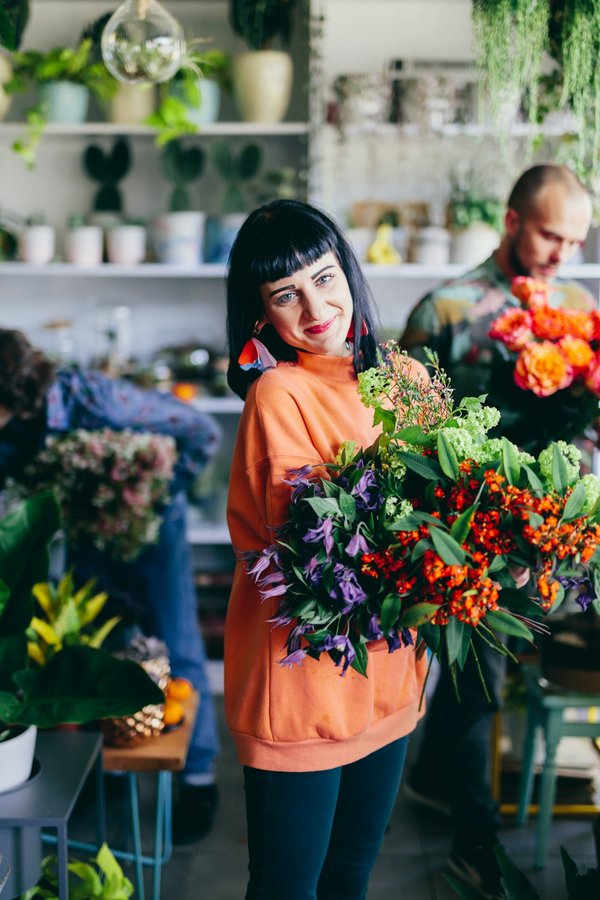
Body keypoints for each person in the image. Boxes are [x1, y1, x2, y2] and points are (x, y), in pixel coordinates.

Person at [224, 198, 432, 900]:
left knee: (350, 877)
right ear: (261, 318)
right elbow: (316, 547)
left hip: (390, 680)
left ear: (349, 270)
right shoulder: (279, 394)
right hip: (303, 687)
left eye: (324, 276)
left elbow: (447, 515)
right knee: (287, 888)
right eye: (286, 294)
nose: (315, 307)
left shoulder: (407, 381)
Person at [399, 163, 594, 899]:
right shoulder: (445, 309)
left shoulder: (577, 304)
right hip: (465, 543)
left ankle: (431, 777)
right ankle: (475, 848)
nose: (562, 254)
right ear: (512, 221)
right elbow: (403, 435)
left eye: (574, 240)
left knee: (489, 685)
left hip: (552, 537)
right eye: (550, 234)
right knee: (479, 684)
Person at [0, 328, 222, 844]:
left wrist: (162, 495)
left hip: (152, 525)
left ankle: (198, 778)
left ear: (12, 389)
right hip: (88, 529)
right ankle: (113, 770)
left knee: (178, 642)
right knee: (98, 644)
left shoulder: (91, 396)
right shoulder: (13, 429)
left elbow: (198, 428)